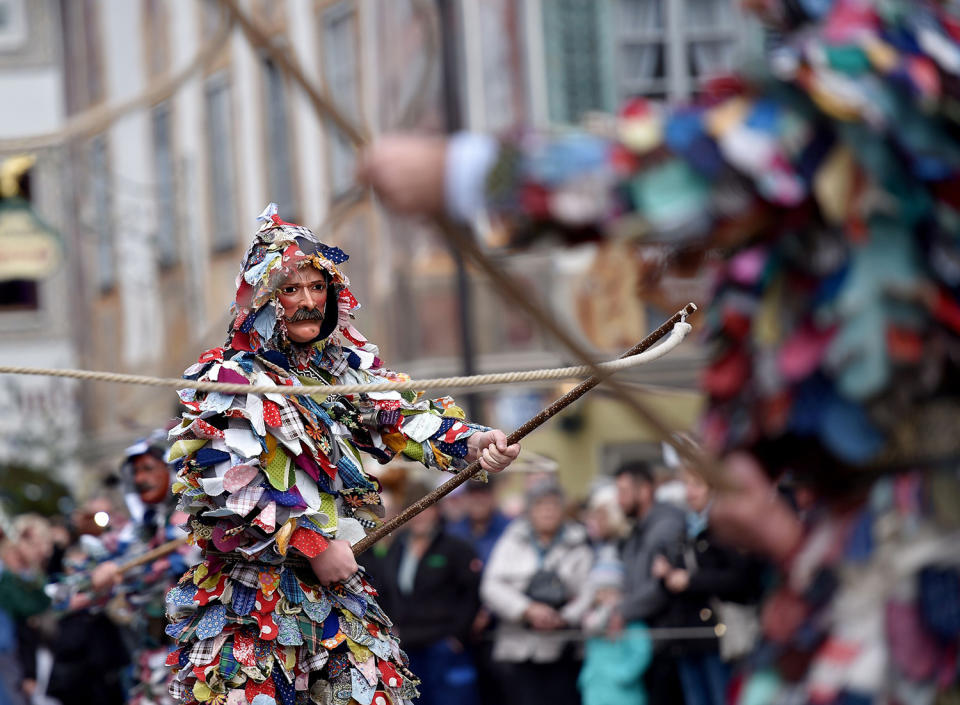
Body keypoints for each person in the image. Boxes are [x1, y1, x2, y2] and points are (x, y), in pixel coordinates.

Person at [360, 1, 960, 700]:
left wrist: (478, 173)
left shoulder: (887, 56)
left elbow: (716, 162)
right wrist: (756, 464)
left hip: (928, 524)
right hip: (871, 515)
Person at [163, 204, 519, 705]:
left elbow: (399, 415)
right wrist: (311, 544)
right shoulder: (229, 380)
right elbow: (217, 491)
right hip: (249, 602)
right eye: (291, 289)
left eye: (317, 287)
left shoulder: (340, 373)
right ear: (265, 300)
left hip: (335, 591)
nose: (308, 301)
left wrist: (471, 442)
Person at [652, 464, 764, 705]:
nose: (690, 492)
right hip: (689, 635)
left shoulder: (727, 528)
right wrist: (667, 576)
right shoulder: (688, 529)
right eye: (687, 485)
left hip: (720, 636)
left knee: (723, 697)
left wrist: (690, 581)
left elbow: (740, 578)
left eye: (697, 485)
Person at [480, 480, 592, 705]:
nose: (548, 511)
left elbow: (589, 591)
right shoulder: (512, 540)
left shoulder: (578, 543)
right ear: (530, 510)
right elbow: (490, 586)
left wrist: (564, 616)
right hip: (517, 648)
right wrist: (527, 609)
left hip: (564, 647)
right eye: (541, 505)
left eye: (554, 505)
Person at [376, 482, 481, 705]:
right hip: (406, 647)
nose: (420, 516)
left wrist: (457, 637)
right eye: (414, 510)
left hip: (443, 645)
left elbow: (472, 593)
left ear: (437, 511)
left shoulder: (455, 548)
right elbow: (385, 590)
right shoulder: (397, 547)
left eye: (426, 508)